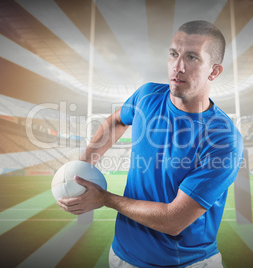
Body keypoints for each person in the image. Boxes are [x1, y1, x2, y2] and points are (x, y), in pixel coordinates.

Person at [58, 20, 243, 268]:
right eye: (173, 54)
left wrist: (105, 199)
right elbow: (116, 121)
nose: (178, 67)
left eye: (192, 57)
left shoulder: (223, 139)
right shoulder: (147, 96)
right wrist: (84, 164)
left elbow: (174, 221)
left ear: (214, 71)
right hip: (122, 257)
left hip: (187, 263)